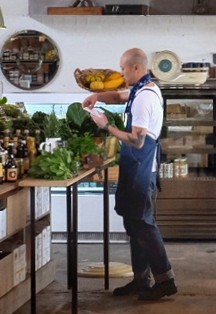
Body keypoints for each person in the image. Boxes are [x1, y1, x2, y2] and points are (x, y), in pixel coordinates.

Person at [84, 48, 177, 300]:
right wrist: (97, 96)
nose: (121, 73)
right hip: (135, 166)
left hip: (141, 168)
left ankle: (165, 279)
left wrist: (107, 126)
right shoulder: (144, 89)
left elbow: (137, 140)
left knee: (143, 225)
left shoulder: (146, 97)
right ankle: (141, 279)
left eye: (124, 68)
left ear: (137, 68)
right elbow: (120, 96)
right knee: (134, 223)